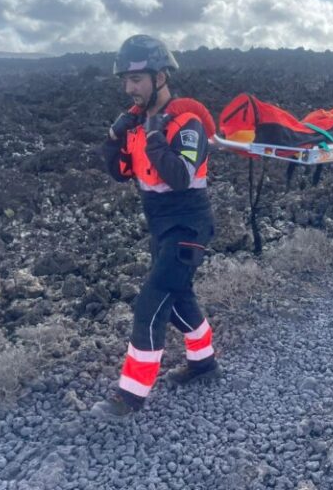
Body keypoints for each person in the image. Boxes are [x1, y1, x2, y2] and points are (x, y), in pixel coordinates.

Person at [94, 35, 219, 417]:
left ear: (160, 76)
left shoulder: (187, 124)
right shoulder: (136, 125)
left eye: (136, 80)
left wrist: (152, 135)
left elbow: (180, 176)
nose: (129, 89)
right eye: (125, 81)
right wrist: (115, 139)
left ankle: (129, 396)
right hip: (161, 226)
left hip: (189, 225)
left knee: (152, 303)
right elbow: (119, 173)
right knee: (178, 300)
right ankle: (204, 364)